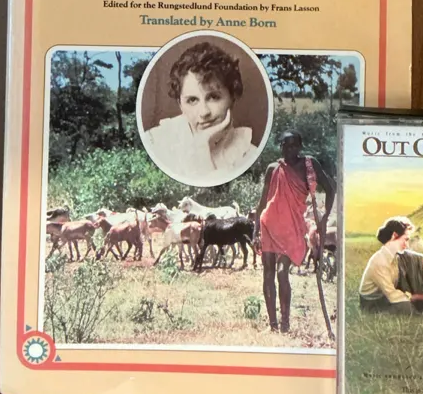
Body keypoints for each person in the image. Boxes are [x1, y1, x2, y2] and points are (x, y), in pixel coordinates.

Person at [142, 41, 259, 184]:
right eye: (192, 100)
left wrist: (202, 146)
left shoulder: (249, 155)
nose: (204, 112)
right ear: (180, 104)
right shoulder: (156, 144)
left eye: (213, 97)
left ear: (232, 97)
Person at [254, 130, 335, 333]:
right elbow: (262, 202)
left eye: (294, 146)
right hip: (269, 225)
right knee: (268, 274)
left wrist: (324, 218)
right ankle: (273, 325)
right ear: (280, 147)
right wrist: (255, 230)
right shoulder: (273, 169)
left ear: (300, 147)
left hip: (292, 228)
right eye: (286, 146)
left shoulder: (309, 164)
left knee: (282, 273)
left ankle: (285, 323)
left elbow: (330, 188)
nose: (290, 150)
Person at [358, 217, 423, 314]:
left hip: (390, 295)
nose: (407, 245)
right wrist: (420, 297)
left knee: (416, 266)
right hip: (375, 303)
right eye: (405, 240)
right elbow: (393, 296)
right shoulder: (379, 262)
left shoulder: (397, 254)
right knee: (406, 307)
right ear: (394, 235)